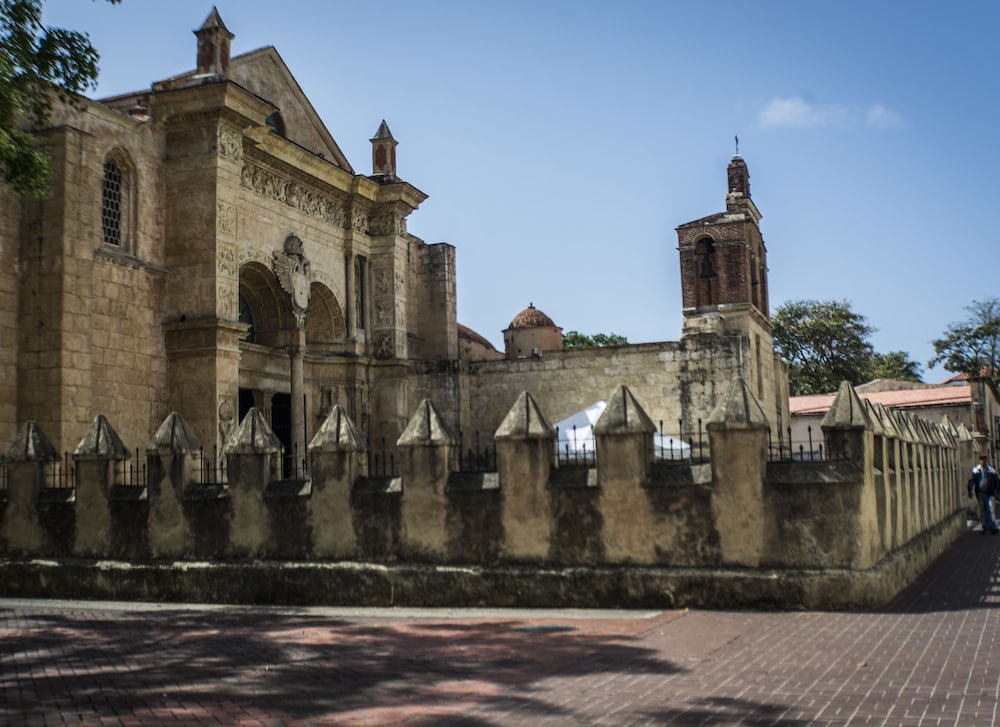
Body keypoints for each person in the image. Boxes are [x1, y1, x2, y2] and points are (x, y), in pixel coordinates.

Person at [967, 452, 1000, 534]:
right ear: (979, 460)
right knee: (983, 511)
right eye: (982, 459)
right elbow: (971, 481)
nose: (983, 461)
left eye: (985, 459)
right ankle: (985, 527)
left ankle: (993, 527)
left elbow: (997, 482)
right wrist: (970, 491)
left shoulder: (991, 470)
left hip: (990, 493)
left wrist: (998, 492)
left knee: (990, 510)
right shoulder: (976, 470)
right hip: (980, 494)